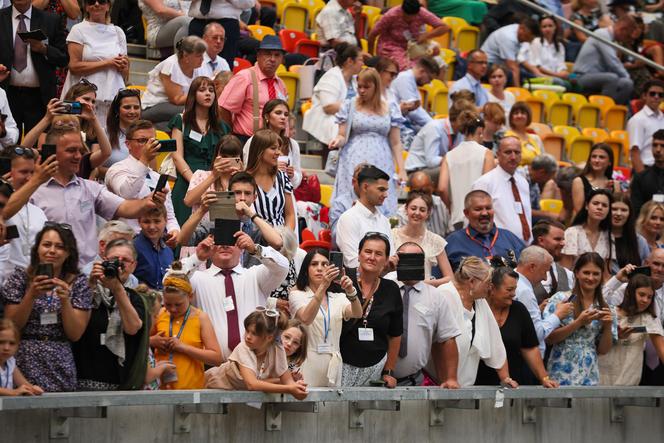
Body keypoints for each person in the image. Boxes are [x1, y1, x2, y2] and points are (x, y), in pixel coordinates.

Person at [2, 125, 160, 266]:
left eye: (80, 150)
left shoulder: (90, 188)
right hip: (45, 273)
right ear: (52, 152)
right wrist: (36, 181)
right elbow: (6, 212)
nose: (78, 156)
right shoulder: (32, 189)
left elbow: (125, 207)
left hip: (84, 277)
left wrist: (148, 203)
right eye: (71, 150)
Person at [2, 223, 92, 391]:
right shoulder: (20, 278)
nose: (52, 251)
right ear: (37, 249)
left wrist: (65, 301)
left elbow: (75, 334)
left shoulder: (79, 283)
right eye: (46, 245)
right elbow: (11, 326)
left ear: (68, 253)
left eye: (59, 247)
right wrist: (31, 295)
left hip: (60, 360)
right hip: (23, 358)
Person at [180, 228, 289, 359]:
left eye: (231, 241)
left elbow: (283, 267)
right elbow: (170, 281)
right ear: (210, 246)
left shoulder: (255, 275)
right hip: (211, 367)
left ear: (242, 247)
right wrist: (197, 258)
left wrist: (255, 249)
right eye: (218, 241)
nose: (225, 245)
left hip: (254, 364)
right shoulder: (197, 278)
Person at [329, 68, 406, 220]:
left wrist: (402, 169)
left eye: (366, 87)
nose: (362, 90)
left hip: (382, 160)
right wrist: (337, 139)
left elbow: (396, 143)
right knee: (353, 199)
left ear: (376, 87)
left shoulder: (390, 107)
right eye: (360, 86)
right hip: (353, 159)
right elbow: (342, 135)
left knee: (380, 199)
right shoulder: (350, 105)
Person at [73, 239, 149, 391]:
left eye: (125, 260)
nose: (119, 265)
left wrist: (117, 288)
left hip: (121, 384)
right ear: (103, 262)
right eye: (114, 260)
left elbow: (133, 328)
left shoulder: (137, 297)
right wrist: (90, 285)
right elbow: (74, 325)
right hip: (83, 380)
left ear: (133, 266)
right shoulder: (86, 289)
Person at [434, 257, 516, 387]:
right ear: (472, 282)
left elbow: (495, 340)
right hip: (439, 384)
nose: (490, 287)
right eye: (488, 282)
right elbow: (440, 345)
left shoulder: (479, 300)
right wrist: (448, 380)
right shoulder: (445, 295)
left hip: (463, 386)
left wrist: (505, 378)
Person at [288, 249, 363, 387]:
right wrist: (323, 286)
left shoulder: (338, 297)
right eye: (314, 264)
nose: (320, 268)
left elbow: (357, 313)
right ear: (306, 270)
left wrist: (350, 290)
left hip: (333, 363)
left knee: (330, 408)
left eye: (324, 264)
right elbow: (305, 318)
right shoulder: (297, 295)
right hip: (306, 360)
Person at [178, 171, 284, 268]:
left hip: (251, 282)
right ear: (229, 194)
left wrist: (251, 214)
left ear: (254, 197)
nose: (242, 198)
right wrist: (201, 210)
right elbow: (183, 240)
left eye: (247, 193)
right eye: (237, 192)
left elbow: (278, 243)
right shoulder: (215, 221)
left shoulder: (259, 224)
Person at [391, 242, 460, 388]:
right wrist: (385, 269)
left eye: (416, 259)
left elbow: (448, 338)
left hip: (413, 380)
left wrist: (451, 378)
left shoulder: (436, 296)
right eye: (405, 259)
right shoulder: (384, 287)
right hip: (379, 379)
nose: (411, 263)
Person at [475, 267, 558, 387]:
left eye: (515, 289)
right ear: (492, 288)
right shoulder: (477, 308)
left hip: (512, 384)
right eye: (509, 290)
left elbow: (530, 348)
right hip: (477, 383)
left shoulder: (519, 310)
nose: (513, 294)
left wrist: (544, 378)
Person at [340, 232, 403, 387]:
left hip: (374, 368)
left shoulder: (391, 289)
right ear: (359, 254)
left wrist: (388, 371)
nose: (372, 257)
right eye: (368, 251)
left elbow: (395, 335)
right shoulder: (341, 279)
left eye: (378, 254)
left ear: (386, 260)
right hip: (339, 364)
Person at [544, 252, 617, 386]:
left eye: (596, 274)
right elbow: (549, 338)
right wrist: (579, 323)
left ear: (602, 276)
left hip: (590, 374)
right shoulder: (561, 299)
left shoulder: (607, 306)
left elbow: (603, 350)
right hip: (560, 371)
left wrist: (607, 327)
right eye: (586, 272)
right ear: (577, 273)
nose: (591, 278)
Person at [204, 307, 308, 399]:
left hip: (232, 396)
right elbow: (252, 384)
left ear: (269, 337)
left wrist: (297, 386)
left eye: (254, 333)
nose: (248, 336)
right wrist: (289, 389)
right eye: (247, 331)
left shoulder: (277, 348)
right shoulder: (243, 348)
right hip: (209, 386)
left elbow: (288, 382)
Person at [105, 119, 180, 242]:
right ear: (128, 144)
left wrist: (174, 231)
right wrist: (144, 159)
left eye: (153, 141)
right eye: (142, 141)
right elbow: (127, 194)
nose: (149, 145)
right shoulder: (117, 169)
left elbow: (170, 216)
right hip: (126, 242)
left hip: (156, 243)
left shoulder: (157, 177)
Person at [0, 0, 68, 134]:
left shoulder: (50, 20)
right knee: (8, 145)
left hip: (40, 97)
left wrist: (44, 49)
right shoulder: (1, 18)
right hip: (7, 93)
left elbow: (64, 58)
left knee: (37, 146)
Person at [152, 261, 222, 389]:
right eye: (168, 304)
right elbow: (141, 343)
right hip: (160, 390)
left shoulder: (201, 318)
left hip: (191, 390)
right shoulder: (160, 313)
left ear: (190, 297)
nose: (172, 309)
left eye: (178, 304)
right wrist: (152, 341)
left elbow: (217, 358)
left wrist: (184, 348)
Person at [169, 75, 226, 226]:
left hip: (214, 183)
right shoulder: (181, 120)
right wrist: (195, 181)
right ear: (193, 95)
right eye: (202, 90)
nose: (208, 93)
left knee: (214, 233)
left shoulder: (222, 126)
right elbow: (177, 157)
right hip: (186, 181)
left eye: (211, 90)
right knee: (183, 229)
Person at [63, 0, 128, 129]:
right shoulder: (78, 29)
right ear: (86, 7)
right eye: (91, 1)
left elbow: (125, 75)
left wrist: (124, 66)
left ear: (108, 6)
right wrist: (107, 63)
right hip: (84, 97)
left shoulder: (118, 32)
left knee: (108, 141)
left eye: (102, 1)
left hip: (111, 97)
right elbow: (74, 66)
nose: (96, 4)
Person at [218, 35, 288, 142]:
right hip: (246, 139)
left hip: (273, 142)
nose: (272, 59)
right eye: (268, 54)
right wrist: (230, 136)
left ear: (282, 59)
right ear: (258, 56)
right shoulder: (245, 77)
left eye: (277, 55)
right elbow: (223, 108)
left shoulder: (281, 84)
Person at [599, 274, 664, 385]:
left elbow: (662, 350)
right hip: (602, 377)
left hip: (629, 382)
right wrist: (615, 335)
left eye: (649, 297)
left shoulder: (648, 318)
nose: (645, 300)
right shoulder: (610, 313)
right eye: (641, 294)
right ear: (629, 292)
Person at [439, 110, 495, 230]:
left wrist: (452, 206)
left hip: (456, 220)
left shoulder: (448, 156)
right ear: (480, 131)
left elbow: (442, 188)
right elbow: (488, 188)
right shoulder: (487, 154)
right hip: (479, 219)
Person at [514, 246, 573, 358]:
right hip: (525, 361)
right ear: (532, 267)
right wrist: (558, 315)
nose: (545, 278)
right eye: (545, 271)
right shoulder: (524, 291)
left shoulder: (514, 282)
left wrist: (537, 309)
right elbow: (536, 334)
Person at [445, 190, 526, 271]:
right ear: (466, 213)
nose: (484, 213)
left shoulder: (509, 237)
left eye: (488, 208)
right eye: (478, 209)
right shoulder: (452, 243)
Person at [472, 136, 533, 243]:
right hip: (497, 246)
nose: (513, 157)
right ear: (498, 154)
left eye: (517, 152)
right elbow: (474, 219)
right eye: (508, 152)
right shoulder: (485, 182)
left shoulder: (523, 182)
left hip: (524, 246)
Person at [0, 147, 47, 284]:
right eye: (23, 172)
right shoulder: (3, 206)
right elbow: (5, 212)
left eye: (33, 172)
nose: (30, 178)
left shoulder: (39, 213)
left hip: (28, 291)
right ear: (7, 174)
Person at [302, 43, 363, 147]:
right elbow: (328, 107)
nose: (363, 63)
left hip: (346, 122)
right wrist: (357, 105)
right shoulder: (331, 76)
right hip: (326, 122)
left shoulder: (354, 80)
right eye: (360, 60)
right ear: (350, 61)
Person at [335, 166, 395, 269]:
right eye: (381, 189)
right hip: (359, 282)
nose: (385, 195)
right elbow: (352, 263)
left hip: (388, 280)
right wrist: (385, 266)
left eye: (386, 190)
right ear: (365, 187)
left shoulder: (384, 221)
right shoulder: (348, 218)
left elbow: (391, 257)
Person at [141, 36, 207, 130]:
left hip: (173, 108)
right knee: (194, 111)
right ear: (186, 55)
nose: (202, 59)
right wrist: (199, 93)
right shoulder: (170, 65)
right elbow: (177, 99)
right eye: (198, 56)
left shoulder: (197, 67)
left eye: (202, 55)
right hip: (154, 105)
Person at [368, 0, 449, 71]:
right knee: (408, 67)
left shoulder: (422, 13)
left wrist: (427, 35)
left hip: (414, 47)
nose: (409, 19)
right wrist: (371, 58)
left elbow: (444, 27)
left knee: (438, 64)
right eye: (406, 16)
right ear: (402, 10)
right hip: (391, 47)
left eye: (413, 17)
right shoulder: (391, 15)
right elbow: (372, 35)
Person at [572, 15, 636, 105]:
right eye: (628, 36)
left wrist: (627, 78)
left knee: (627, 83)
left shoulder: (613, 40)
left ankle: (613, 111)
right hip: (579, 76)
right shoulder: (602, 34)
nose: (627, 39)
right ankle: (602, 109)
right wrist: (626, 75)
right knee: (612, 78)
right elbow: (612, 62)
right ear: (623, 29)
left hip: (597, 76)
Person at [392, 192, 453, 286]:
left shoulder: (436, 240)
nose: (417, 213)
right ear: (406, 209)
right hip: (395, 290)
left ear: (428, 213)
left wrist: (428, 283)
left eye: (422, 210)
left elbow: (450, 278)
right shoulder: (391, 235)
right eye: (413, 208)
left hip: (425, 292)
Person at [404, 99, 473, 181]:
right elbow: (431, 161)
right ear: (458, 118)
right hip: (416, 172)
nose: (469, 123)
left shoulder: (460, 132)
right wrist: (454, 158)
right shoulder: (435, 128)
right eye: (467, 119)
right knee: (451, 171)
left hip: (433, 169)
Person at [244, 99, 302, 192]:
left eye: (286, 114)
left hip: (285, 195)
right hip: (259, 193)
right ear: (267, 116)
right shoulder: (254, 140)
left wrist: (292, 175)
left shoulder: (292, 144)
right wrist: (272, 169)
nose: (283, 117)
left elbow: (296, 182)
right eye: (278, 113)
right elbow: (246, 171)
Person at [245, 129, 295, 230]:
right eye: (273, 148)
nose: (278, 153)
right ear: (259, 150)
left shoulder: (282, 177)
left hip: (281, 239)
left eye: (278, 148)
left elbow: (290, 215)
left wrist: (286, 237)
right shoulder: (244, 179)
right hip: (254, 238)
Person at [183, 134, 243, 218]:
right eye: (224, 156)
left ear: (240, 158)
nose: (228, 161)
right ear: (216, 156)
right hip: (202, 228)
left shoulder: (244, 180)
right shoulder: (201, 174)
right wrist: (213, 176)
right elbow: (188, 201)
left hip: (234, 227)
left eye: (233, 157)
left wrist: (241, 178)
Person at [186, 0, 252, 69]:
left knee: (224, 70)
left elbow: (249, 3)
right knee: (192, 65)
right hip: (198, 22)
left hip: (227, 25)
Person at [562, 189, 615, 272]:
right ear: (587, 206)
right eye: (595, 203)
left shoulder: (609, 236)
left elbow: (606, 274)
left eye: (604, 205)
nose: (600, 207)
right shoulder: (572, 232)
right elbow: (565, 271)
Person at [480, 17, 539, 87]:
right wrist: (518, 91)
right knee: (512, 74)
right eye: (527, 37)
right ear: (522, 29)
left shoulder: (518, 29)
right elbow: (513, 68)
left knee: (530, 77)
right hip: (487, 64)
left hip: (501, 64)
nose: (528, 41)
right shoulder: (508, 38)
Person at [390, 57, 440, 132]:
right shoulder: (405, 78)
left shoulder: (412, 81)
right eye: (430, 78)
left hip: (405, 123)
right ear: (422, 71)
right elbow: (413, 112)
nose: (429, 83)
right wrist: (433, 124)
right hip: (396, 124)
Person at [518, 15, 569, 88]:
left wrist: (563, 72)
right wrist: (556, 75)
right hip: (542, 76)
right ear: (540, 29)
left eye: (550, 26)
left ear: (555, 27)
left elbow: (561, 64)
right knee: (562, 83)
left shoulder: (560, 46)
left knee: (575, 83)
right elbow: (538, 67)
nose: (547, 29)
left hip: (555, 75)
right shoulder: (536, 42)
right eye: (544, 27)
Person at [531, 220, 574, 303]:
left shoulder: (568, 274)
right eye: (558, 239)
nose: (563, 243)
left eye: (563, 239)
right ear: (541, 241)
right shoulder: (520, 273)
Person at [571, 143, 620, 217]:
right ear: (589, 160)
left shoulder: (615, 184)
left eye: (601, 157)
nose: (597, 160)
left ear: (610, 162)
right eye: (594, 156)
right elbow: (579, 211)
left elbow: (616, 210)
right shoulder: (579, 181)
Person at [397, 171, 450, 237]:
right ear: (410, 190)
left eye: (425, 192)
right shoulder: (402, 213)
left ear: (432, 187)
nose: (421, 196)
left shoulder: (442, 204)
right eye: (417, 192)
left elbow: (450, 233)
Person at [134, 205, 175, 290]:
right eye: (146, 222)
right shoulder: (133, 248)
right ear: (139, 221)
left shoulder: (168, 251)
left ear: (165, 221)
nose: (152, 227)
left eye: (157, 221)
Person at [628, 79, 664, 174]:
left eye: (660, 95)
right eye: (652, 94)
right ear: (644, 95)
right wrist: (643, 179)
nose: (656, 97)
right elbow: (634, 152)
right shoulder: (637, 120)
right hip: (645, 169)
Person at [0, 318, 43, 396]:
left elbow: (23, 383)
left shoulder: (10, 361)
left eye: (12, 343)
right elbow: (14, 392)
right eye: (1, 342)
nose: (6, 348)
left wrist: (32, 388)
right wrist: (13, 392)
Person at [104, 88, 142, 173]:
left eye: (136, 107)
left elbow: (153, 170)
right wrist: (122, 175)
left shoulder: (147, 135)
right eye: (127, 107)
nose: (132, 111)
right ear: (117, 110)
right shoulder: (104, 133)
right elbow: (96, 168)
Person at [611, 192, 649, 274]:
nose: (618, 213)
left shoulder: (640, 241)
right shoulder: (599, 237)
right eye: (614, 209)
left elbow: (646, 271)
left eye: (624, 210)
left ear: (630, 213)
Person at [631, 129, 664, 216]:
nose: (658, 149)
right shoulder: (640, 178)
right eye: (655, 145)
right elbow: (636, 210)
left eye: (662, 146)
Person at [521, 154, 560, 222]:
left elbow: (537, 208)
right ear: (542, 172)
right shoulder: (518, 179)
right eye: (550, 177)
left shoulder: (535, 183)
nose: (549, 180)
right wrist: (547, 214)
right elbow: (519, 210)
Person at [504, 102, 543, 167]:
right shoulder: (506, 137)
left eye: (523, 113)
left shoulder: (535, 138)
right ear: (511, 118)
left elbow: (543, 159)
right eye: (516, 113)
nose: (519, 116)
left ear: (528, 117)